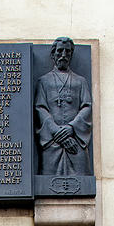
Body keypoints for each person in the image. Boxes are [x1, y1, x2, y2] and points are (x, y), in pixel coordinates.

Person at [34, 37, 92, 176]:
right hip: (52, 141)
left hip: (75, 140)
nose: (63, 55)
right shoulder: (44, 81)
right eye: (60, 51)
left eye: (67, 52)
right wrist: (57, 132)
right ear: (53, 54)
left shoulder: (80, 81)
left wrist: (71, 128)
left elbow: (87, 107)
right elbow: (40, 108)